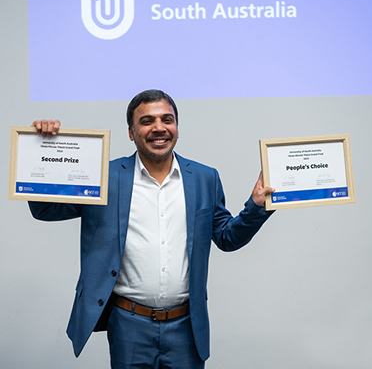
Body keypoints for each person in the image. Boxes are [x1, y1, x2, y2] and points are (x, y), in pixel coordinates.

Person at [29, 89, 275, 369]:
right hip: (128, 325)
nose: (159, 128)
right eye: (147, 121)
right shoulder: (103, 177)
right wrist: (41, 151)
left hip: (187, 325)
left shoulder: (205, 178)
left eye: (167, 119)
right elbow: (45, 210)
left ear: (177, 129)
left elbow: (227, 237)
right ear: (132, 133)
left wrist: (257, 205)